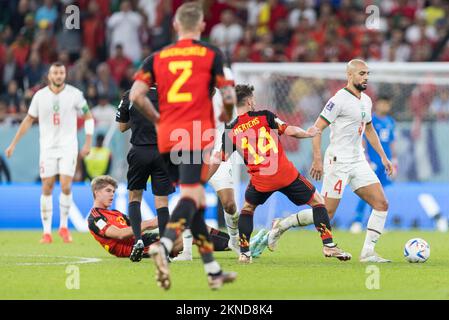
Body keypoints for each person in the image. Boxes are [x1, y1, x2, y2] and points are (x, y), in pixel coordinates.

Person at [129, 2, 237, 290]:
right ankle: (163, 246)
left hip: (166, 138)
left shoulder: (157, 57)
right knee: (192, 197)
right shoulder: (212, 53)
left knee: (196, 201)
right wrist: (226, 114)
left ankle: (213, 271)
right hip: (194, 135)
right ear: (202, 26)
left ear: (175, 26)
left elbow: (136, 95)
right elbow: (228, 94)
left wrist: (157, 119)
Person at [210, 84, 352, 264]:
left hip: (260, 179)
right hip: (284, 173)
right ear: (248, 101)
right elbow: (290, 130)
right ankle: (329, 245)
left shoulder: (230, 130)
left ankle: (244, 253)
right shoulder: (264, 116)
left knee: (247, 209)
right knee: (318, 202)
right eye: (252, 99)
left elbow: (219, 158)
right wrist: (308, 134)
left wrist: (203, 178)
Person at [309, 59, 394, 263]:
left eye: (367, 74)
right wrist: (317, 159)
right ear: (350, 75)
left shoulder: (366, 100)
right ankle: (283, 225)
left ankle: (368, 252)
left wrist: (384, 157)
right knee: (326, 212)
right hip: (337, 161)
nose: (365, 78)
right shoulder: (338, 100)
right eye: (362, 74)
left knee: (381, 203)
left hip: (358, 160)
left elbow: (370, 129)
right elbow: (316, 129)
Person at [5, 62, 94, 244]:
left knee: (66, 185)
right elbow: (28, 120)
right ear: (49, 75)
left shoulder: (75, 94)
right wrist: (13, 144)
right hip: (47, 148)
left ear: (65, 74)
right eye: (55, 73)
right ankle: (46, 232)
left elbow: (88, 116)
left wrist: (88, 142)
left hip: (68, 146)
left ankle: (63, 227)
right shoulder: (40, 96)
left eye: (62, 72)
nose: (59, 75)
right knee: (47, 186)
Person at [88, 175, 247, 258]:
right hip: (138, 249)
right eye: (108, 191)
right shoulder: (95, 217)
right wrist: (152, 222)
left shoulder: (115, 213)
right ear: (97, 192)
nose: (112, 195)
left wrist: (154, 225)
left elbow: (137, 228)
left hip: (147, 239)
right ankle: (240, 246)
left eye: (113, 192)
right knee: (189, 233)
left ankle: (238, 242)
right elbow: (121, 234)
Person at [116, 88, 173, 262]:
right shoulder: (169, 94)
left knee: (134, 197)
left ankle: (138, 240)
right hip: (162, 152)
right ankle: (164, 247)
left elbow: (122, 127)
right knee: (162, 201)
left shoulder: (130, 95)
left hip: (139, 151)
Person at [350, 96, 396, 233]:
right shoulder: (371, 119)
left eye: (387, 104)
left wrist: (394, 159)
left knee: (380, 193)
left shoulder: (390, 122)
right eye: (382, 103)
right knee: (367, 192)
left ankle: (374, 224)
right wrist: (366, 158)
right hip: (372, 162)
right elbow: (363, 138)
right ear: (377, 104)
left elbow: (392, 141)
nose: (385, 106)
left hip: (384, 163)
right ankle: (357, 221)